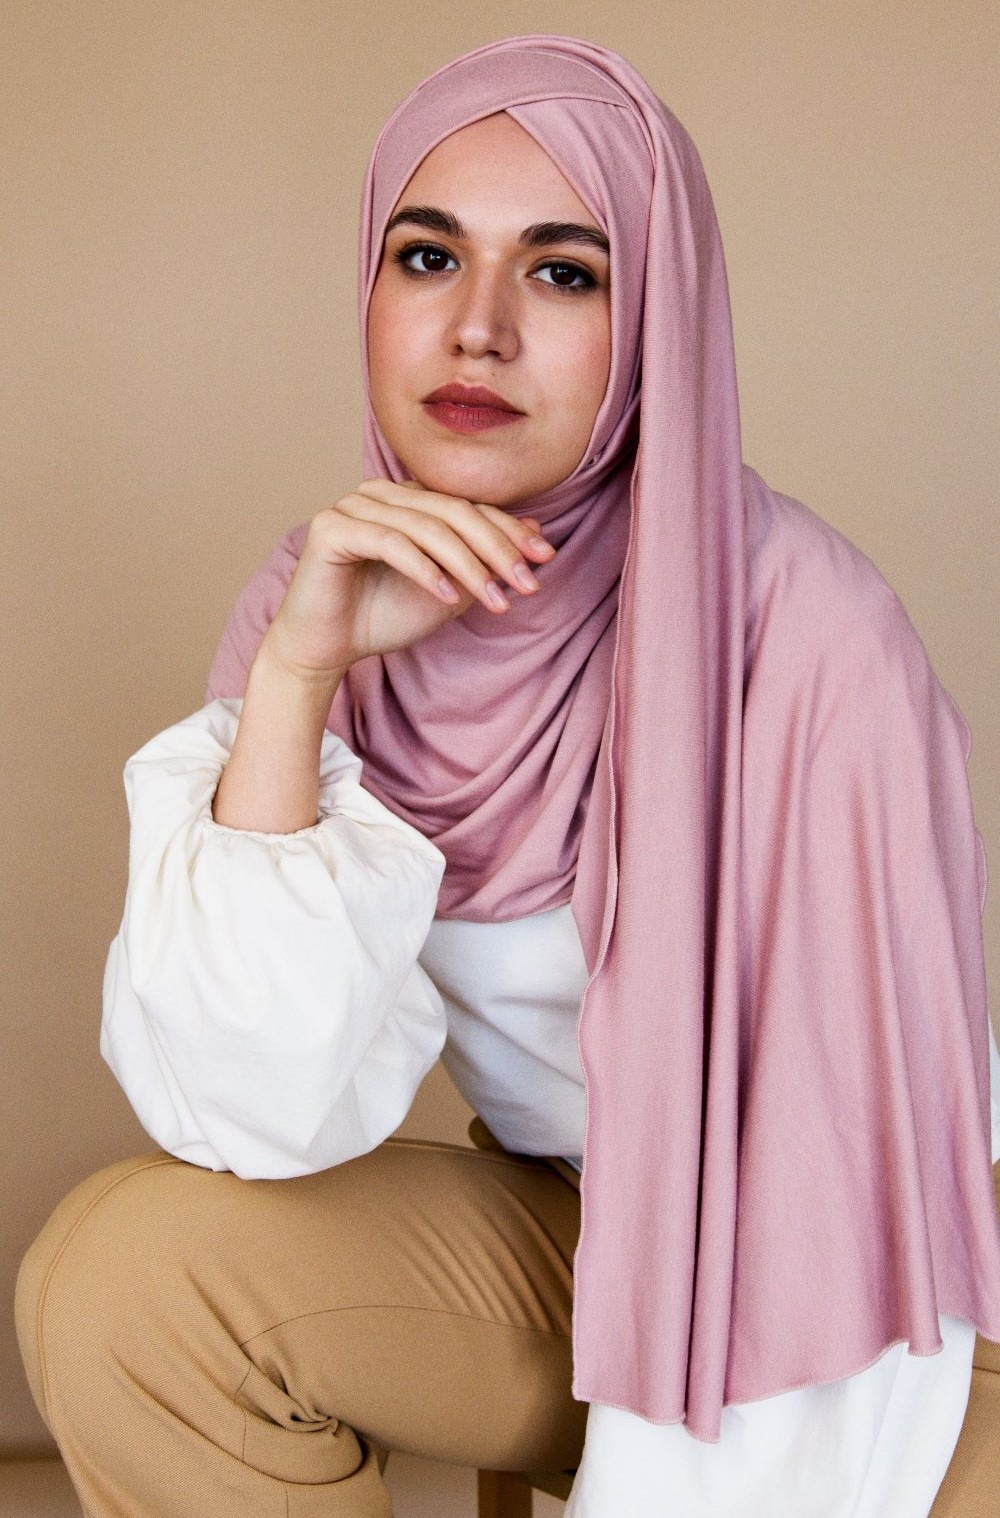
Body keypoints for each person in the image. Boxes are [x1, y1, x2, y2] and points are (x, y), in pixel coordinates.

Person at [16, 33, 1000, 1518]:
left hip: (893, 1307)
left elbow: (827, 1174)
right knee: (126, 1278)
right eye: (426, 258)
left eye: (563, 272)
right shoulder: (330, 597)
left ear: (658, 322)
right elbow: (249, 1107)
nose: (476, 330)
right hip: (589, 1245)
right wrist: (298, 678)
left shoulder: (808, 637)